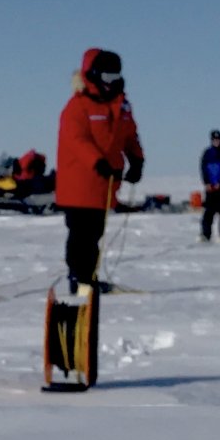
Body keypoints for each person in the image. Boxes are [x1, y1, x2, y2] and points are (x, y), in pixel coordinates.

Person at [55, 48, 144, 290]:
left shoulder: (121, 105)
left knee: (95, 234)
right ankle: (79, 279)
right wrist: (98, 162)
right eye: (107, 77)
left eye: (115, 77)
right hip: (79, 185)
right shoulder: (77, 107)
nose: (111, 83)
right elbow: (77, 141)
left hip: (105, 186)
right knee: (81, 235)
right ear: (93, 75)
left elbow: (129, 135)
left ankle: (88, 278)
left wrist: (136, 159)